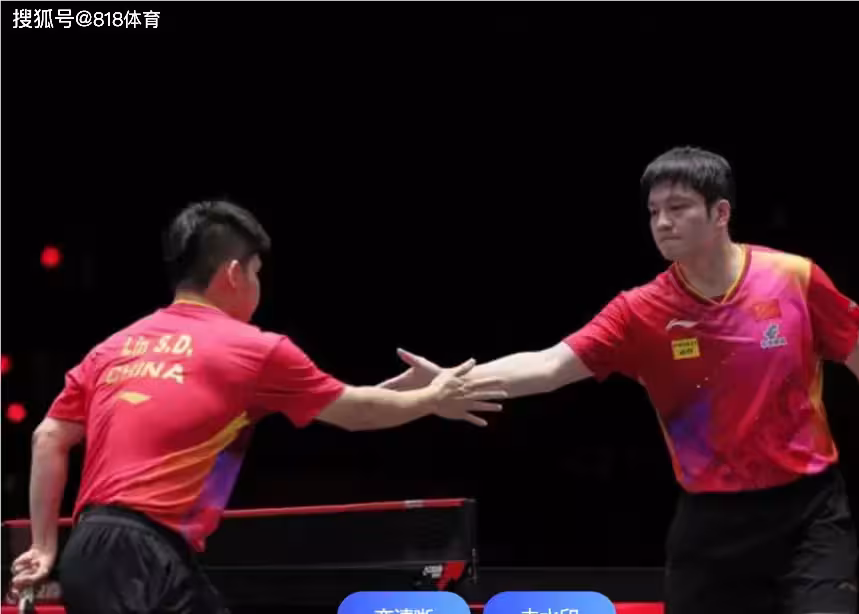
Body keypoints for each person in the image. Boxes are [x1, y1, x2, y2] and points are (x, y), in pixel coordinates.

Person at [382, 146, 859, 614]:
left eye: (678, 208)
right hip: (712, 524)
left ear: (721, 213)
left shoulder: (793, 278)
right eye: (654, 211)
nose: (662, 222)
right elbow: (551, 366)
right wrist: (448, 384)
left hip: (810, 512)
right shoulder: (640, 311)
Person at [9, 200, 506, 614]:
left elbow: (47, 437)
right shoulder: (254, 349)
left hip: (93, 551)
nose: (258, 286)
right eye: (255, 272)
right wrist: (432, 398)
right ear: (233, 273)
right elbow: (355, 412)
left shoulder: (113, 348)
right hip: (144, 555)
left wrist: (43, 546)